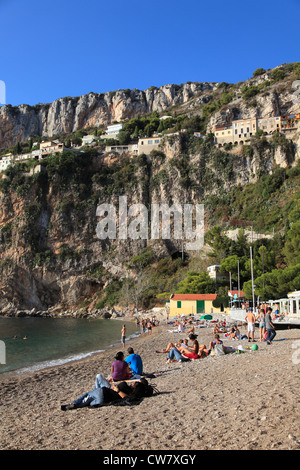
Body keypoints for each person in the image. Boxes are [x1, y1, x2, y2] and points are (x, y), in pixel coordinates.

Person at [61, 376, 151, 410]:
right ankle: (75, 405)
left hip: (103, 392)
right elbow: (126, 398)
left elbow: (123, 395)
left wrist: (117, 389)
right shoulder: (132, 395)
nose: (132, 382)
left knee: (87, 395)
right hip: (103, 400)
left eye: (133, 383)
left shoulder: (124, 386)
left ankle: (73, 403)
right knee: (86, 402)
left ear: (134, 386)